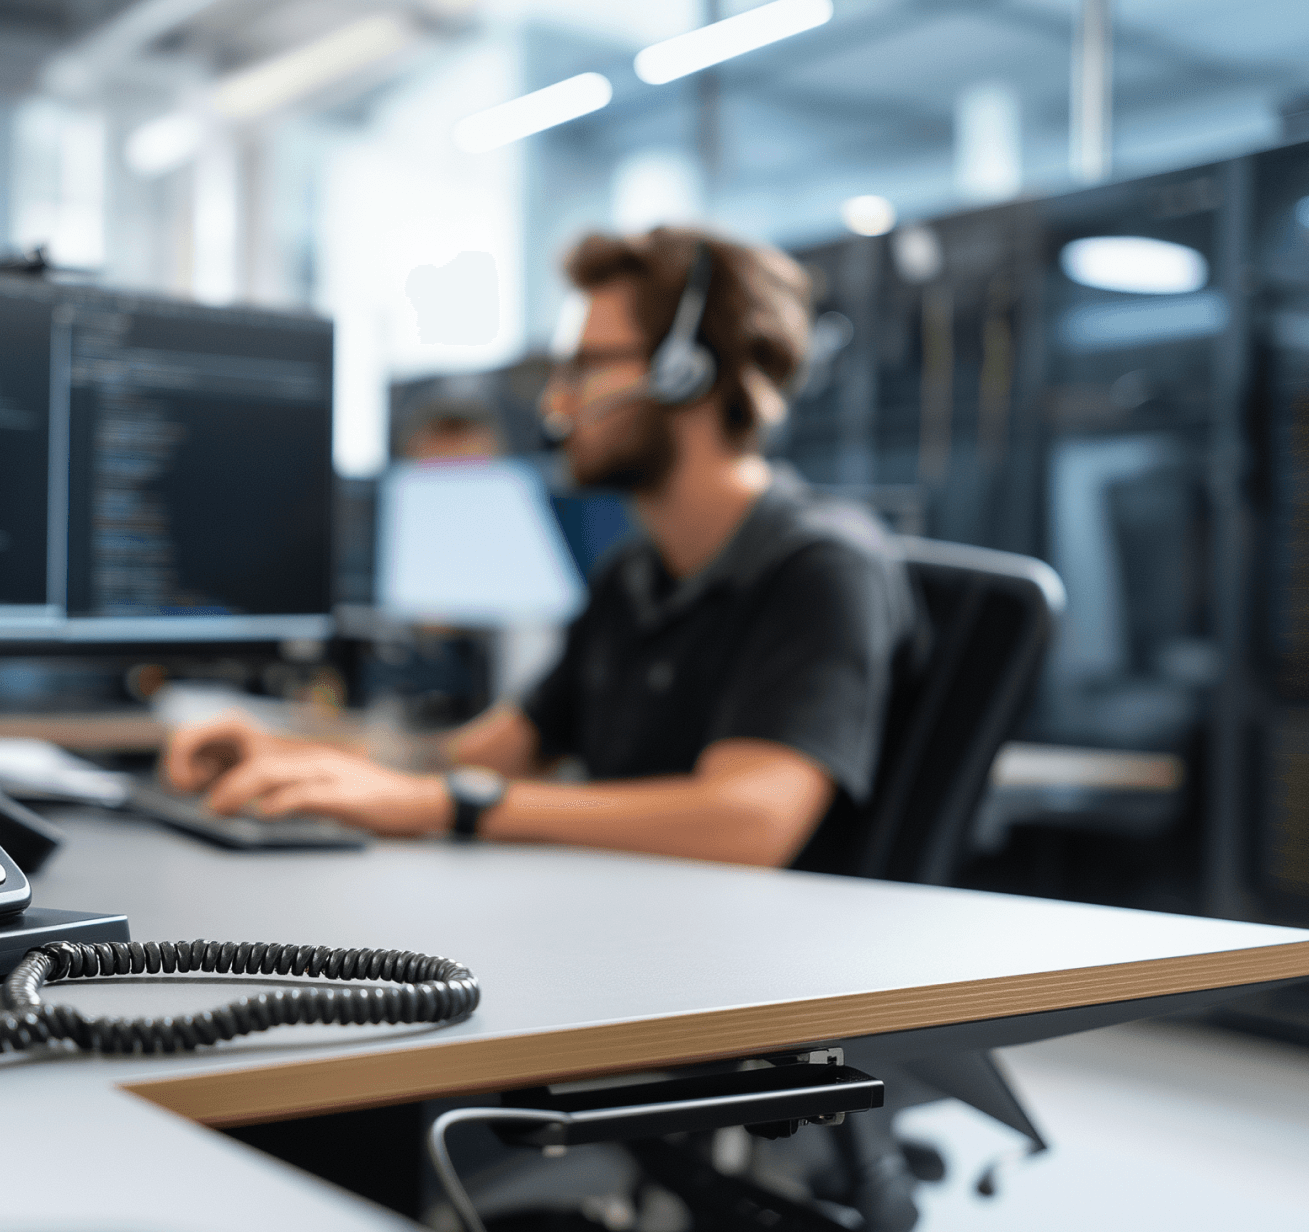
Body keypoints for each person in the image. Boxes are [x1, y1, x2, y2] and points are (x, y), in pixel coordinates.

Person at [164, 226, 917, 869]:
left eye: (588, 366)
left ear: (687, 374)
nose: (559, 401)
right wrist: (297, 758)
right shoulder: (635, 575)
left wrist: (448, 806)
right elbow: (483, 755)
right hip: (656, 939)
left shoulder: (819, 567)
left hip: (781, 982)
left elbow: (748, 820)